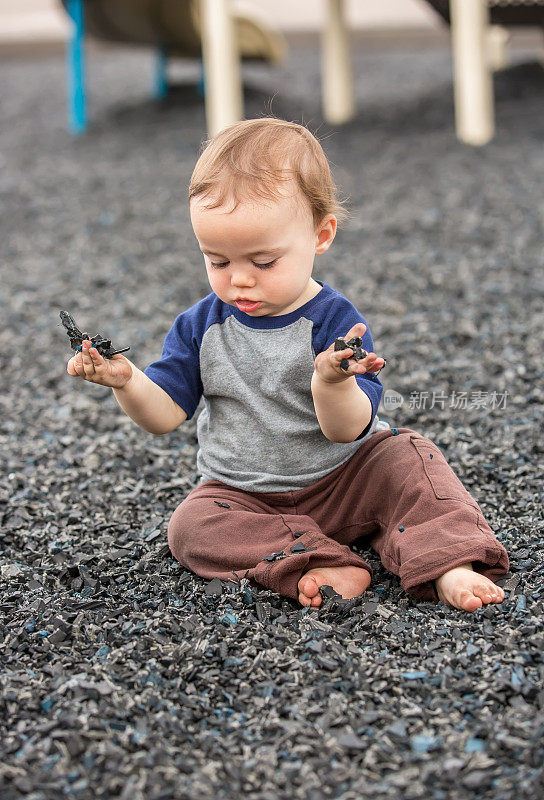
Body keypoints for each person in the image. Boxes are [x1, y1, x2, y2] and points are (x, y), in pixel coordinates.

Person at [66, 117, 509, 612]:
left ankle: (447, 561)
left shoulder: (334, 321)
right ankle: (317, 558)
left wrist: (331, 381)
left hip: (347, 478)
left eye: (264, 262)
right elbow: (165, 414)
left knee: (411, 459)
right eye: (217, 261)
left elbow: (348, 430)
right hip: (246, 496)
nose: (240, 282)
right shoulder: (200, 327)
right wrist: (126, 382)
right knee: (190, 527)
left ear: (320, 236)